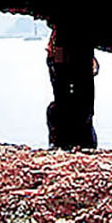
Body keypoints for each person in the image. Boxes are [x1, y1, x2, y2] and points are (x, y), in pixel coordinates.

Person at [45, 22, 99, 150]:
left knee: (81, 101)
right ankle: (64, 141)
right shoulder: (61, 35)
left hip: (76, 54)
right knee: (64, 100)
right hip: (64, 54)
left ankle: (81, 141)